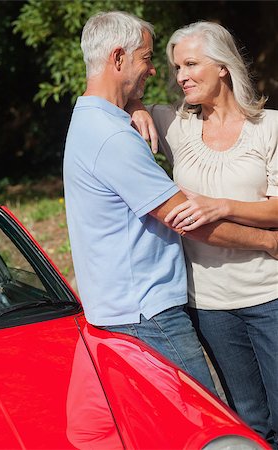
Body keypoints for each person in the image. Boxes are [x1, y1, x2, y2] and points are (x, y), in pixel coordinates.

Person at [63, 11, 277, 397]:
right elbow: (185, 220)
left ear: (224, 68)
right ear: (118, 58)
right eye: (151, 59)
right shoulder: (134, 132)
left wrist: (134, 105)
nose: (166, 74)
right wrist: (269, 242)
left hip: (254, 296)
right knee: (216, 418)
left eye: (190, 64)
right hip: (172, 308)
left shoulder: (96, 122)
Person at [128, 21, 278, 448]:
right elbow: (111, 102)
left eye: (191, 63)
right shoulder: (172, 124)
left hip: (271, 296)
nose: (181, 76)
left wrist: (223, 206)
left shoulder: (270, 126)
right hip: (208, 304)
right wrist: (137, 105)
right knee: (247, 419)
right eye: (177, 67)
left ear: (224, 67)